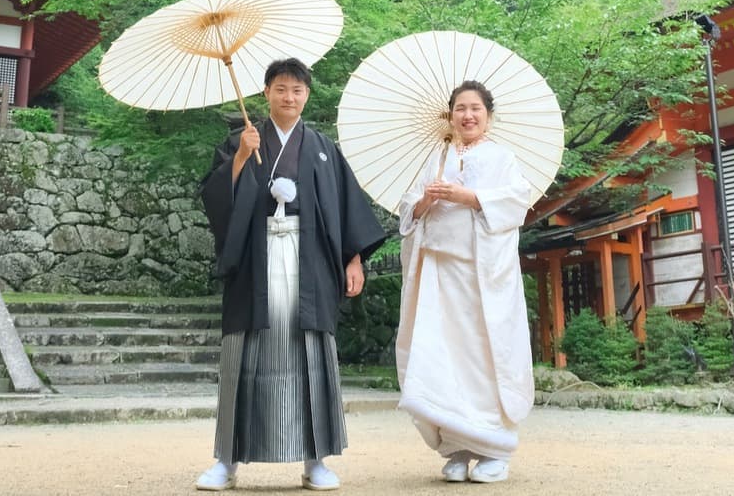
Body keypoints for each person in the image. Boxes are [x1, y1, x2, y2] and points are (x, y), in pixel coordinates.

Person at [197, 57, 386, 492]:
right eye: (281, 89)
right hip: (255, 262)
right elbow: (215, 199)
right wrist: (242, 158)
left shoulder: (321, 146)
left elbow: (347, 207)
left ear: (307, 95)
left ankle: (314, 460)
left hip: (311, 262)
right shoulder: (239, 140)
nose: (290, 97)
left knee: (311, 355)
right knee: (243, 355)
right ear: (266, 93)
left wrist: (353, 258)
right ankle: (226, 461)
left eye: (298, 90)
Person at [395, 80, 534, 484]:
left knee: (482, 356)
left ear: (488, 116)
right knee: (440, 356)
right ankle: (456, 445)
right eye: (460, 108)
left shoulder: (502, 158)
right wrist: (427, 201)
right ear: (450, 115)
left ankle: (493, 447)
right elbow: (410, 209)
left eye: (475, 108)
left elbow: (516, 203)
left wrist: (467, 196)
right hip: (438, 271)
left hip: (480, 276)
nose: (467, 115)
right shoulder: (436, 156)